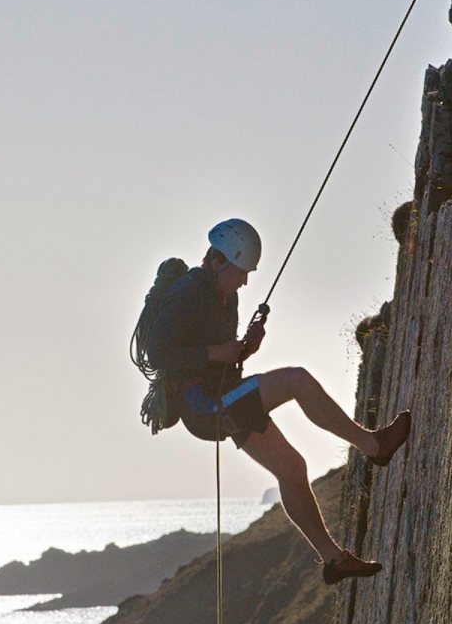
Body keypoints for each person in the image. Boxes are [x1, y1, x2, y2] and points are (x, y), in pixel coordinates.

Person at [145, 218, 412, 584]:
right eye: (240, 271)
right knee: (297, 381)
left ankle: (334, 561)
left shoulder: (227, 297)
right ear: (217, 261)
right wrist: (216, 352)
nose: (245, 280)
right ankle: (374, 444)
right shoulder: (189, 291)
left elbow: (222, 358)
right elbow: (158, 353)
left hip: (222, 398)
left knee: (292, 468)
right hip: (204, 408)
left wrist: (245, 348)